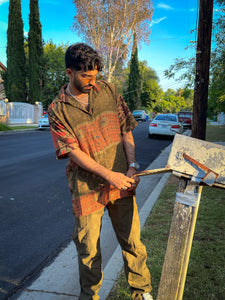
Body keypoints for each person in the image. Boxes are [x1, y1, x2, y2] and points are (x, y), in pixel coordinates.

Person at [48, 43, 153, 300]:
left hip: (122, 183)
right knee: (89, 251)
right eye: (86, 76)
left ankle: (142, 294)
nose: (92, 81)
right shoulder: (57, 110)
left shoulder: (108, 90)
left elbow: (126, 128)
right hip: (86, 190)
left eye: (95, 75)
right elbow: (72, 151)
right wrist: (110, 175)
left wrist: (132, 166)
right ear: (69, 72)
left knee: (132, 243)